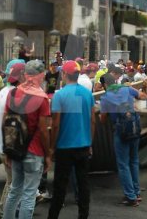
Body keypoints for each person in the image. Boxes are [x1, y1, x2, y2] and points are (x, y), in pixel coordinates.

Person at [3, 60, 52, 219]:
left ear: (25, 75)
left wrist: (7, 151)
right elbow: (44, 131)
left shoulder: (12, 93)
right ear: (41, 75)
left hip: (16, 149)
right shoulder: (41, 98)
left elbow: (5, 122)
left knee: (14, 190)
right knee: (29, 195)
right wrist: (48, 154)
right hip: (34, 151)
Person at [48, 61, 95, 219]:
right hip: (83, 145)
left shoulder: (59, 95)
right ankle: (83, 216)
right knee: (83, 184)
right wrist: (89, 142)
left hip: (64, 147)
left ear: (64, 75)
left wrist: (51, 147)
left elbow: (55, 124)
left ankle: (53, 216)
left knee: (60, 186)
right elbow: (92, 120)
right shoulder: (88, 94)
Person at [100, 71, 146, 206]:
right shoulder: (126, 89)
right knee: (134, 161)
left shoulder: (106, 97)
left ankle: (130, 197)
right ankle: (136, 192)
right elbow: (142, 96)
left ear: (104, 84)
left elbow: (102, 120)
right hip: (135, 128)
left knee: (123, 164)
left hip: (121, 132)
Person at [0, 62, 26, 212]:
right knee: (14, 182)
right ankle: (5, 211)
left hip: (2, 144)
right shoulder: (14, 94)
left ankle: (4, 208)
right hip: (8, 145)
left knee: (11, 181)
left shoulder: (3, 92)